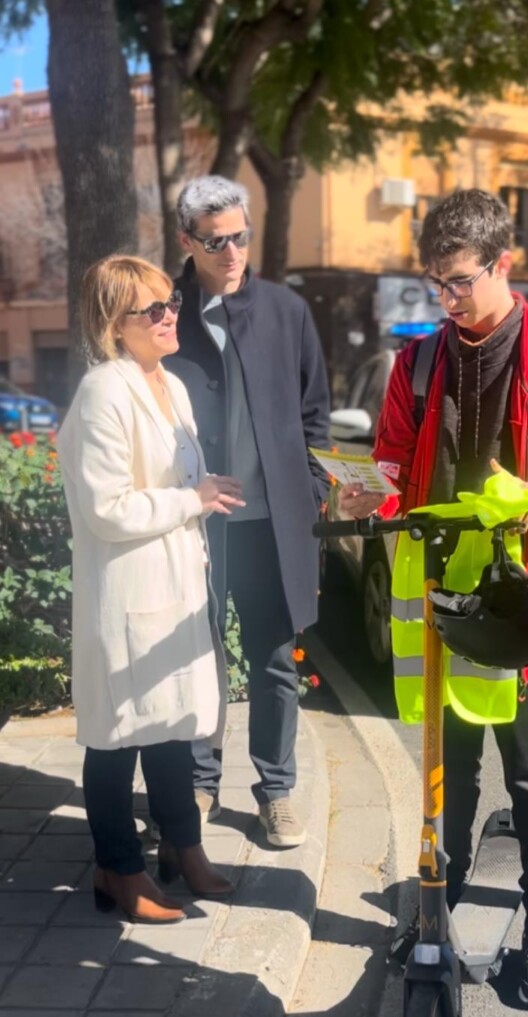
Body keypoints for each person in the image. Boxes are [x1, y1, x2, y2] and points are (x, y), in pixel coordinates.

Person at [340, 189, 528, 1007]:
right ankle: (439, 906)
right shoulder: (418, 362)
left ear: (504, 264)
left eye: (460, 280)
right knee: (446, 766)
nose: (447, 298)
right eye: (436, 283)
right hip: (440, 590)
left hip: (523, 598)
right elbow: (393, 464)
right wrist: (370, 495)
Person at [58, 254, 242, 923]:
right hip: (129, 590)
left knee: (171, 727)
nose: (171, 317)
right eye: (153, 309)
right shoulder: (104, 393)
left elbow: (182, 482)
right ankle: (118, 869)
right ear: (115, 324)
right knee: (116, 738)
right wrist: (193, 499)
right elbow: (106, 508)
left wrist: (201, 496)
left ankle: (183, 850)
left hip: (175, 587)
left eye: (172, 304)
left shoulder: (172, 385)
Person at [165, 176, 331, 848]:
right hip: (194, 523)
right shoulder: (166, 313)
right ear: (188, 241)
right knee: (197, 658)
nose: (232, 252)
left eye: (240, 237)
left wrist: (310, 491)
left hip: (272, 524)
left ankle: (277, 791)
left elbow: (315, 413)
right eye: (215, 242)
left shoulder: (287, 311)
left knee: (274, 661)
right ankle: (200, 782)